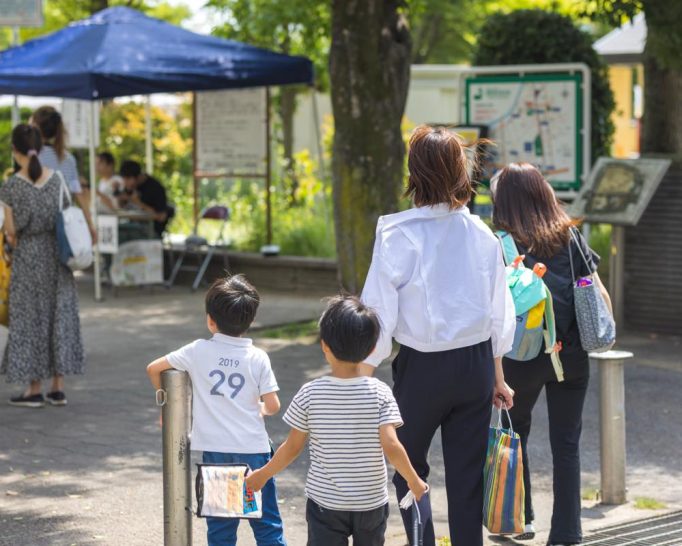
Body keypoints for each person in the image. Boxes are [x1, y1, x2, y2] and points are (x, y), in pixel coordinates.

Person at [359, 125, 516, 546]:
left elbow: (378, 314)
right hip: (476, 365)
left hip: (422, 365)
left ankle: (422, 542)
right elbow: (498, 313)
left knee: (409, 469)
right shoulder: (482, 235)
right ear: (458, 171)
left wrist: (363, 378)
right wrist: (498, 376)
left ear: (416, 171)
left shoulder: (397, 234)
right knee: (468, 474)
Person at [491, 163, 613, 546]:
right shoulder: (570, 236)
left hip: (520, 360)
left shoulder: (501, 243)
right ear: (543, 192)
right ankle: (566, 533)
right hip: (571, 357)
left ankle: (518, 520)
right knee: (567, 444)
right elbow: (597, 292)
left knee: (515, 435)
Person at [246, 295, 428, 546]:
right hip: (370, 503)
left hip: (325, 503)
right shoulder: (380, 392)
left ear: (324, 345)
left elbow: (292, 447)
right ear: (373, 347)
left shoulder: (310, 393)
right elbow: (392, 446)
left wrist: (263, 474)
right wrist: (413, 480)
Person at [146, 274, 286, 546]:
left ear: (211, 320)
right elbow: (273, 405)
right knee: (267, 527)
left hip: (217, 453)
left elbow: (154, 368)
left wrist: (166, 407)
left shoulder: (197, 351)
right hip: (254, 455)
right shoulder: (258, 357)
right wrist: (260, 408)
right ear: (251, 320)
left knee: (221, 530)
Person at [2, 124, 85, 407]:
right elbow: (66, 218)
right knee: (58, 316)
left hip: (27, 258)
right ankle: (58, 388)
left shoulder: (11, 185)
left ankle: (34, 389)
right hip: (58, 257)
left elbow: (11, 232)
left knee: (30, 320)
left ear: (15, 151)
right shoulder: (59, 180)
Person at [31, 105, 97, 242]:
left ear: (35, 126)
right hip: (65, 228)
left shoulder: (32, 158)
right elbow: (78, 194)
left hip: (38, 229)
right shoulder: (68, 159)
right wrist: (90, 225)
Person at [118, 160, 168, 237]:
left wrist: (138, 203)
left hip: (150, 231)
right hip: (131, 226)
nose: (125, 183)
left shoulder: (155, 188)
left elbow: (161, 217)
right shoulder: (129, 187)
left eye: (127, 179)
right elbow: (122, 207)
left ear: (136, 177)